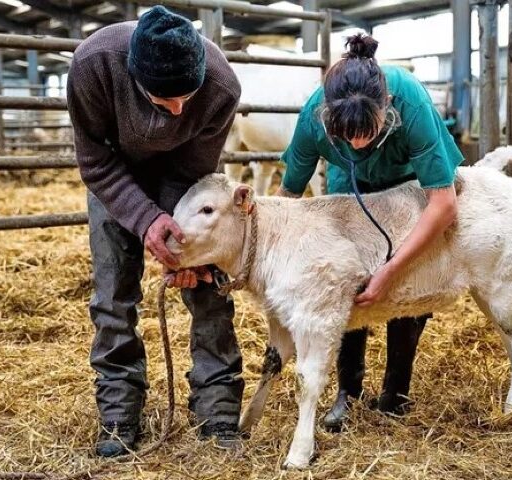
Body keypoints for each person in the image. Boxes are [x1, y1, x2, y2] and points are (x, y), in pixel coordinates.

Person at [66, 5, 244, 457]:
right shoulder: (93, 65)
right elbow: (94, 162)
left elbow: (191, 169)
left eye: (188, 97)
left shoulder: (221, 86)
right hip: (115, 176)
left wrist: (180, 249)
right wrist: (146, 220)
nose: (179, 110)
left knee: (208, 286)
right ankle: (119, 410)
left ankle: (218, 409)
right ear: (136, 77)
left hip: (187, 181)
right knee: (113, 292)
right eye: (165, 102)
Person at [277, 33, 464, 430]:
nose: (360, 141)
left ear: (387, 106)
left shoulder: (410, 101)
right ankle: (348, 392)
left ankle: (396, 393)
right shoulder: (313, 119)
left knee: (409, 280)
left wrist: (392, 269)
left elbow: (444, 204)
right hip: (349, 186)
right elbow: (288, 197)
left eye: (369, 130)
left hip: (408, 186)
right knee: (346, 280)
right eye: (348, 133)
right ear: (328, 115)